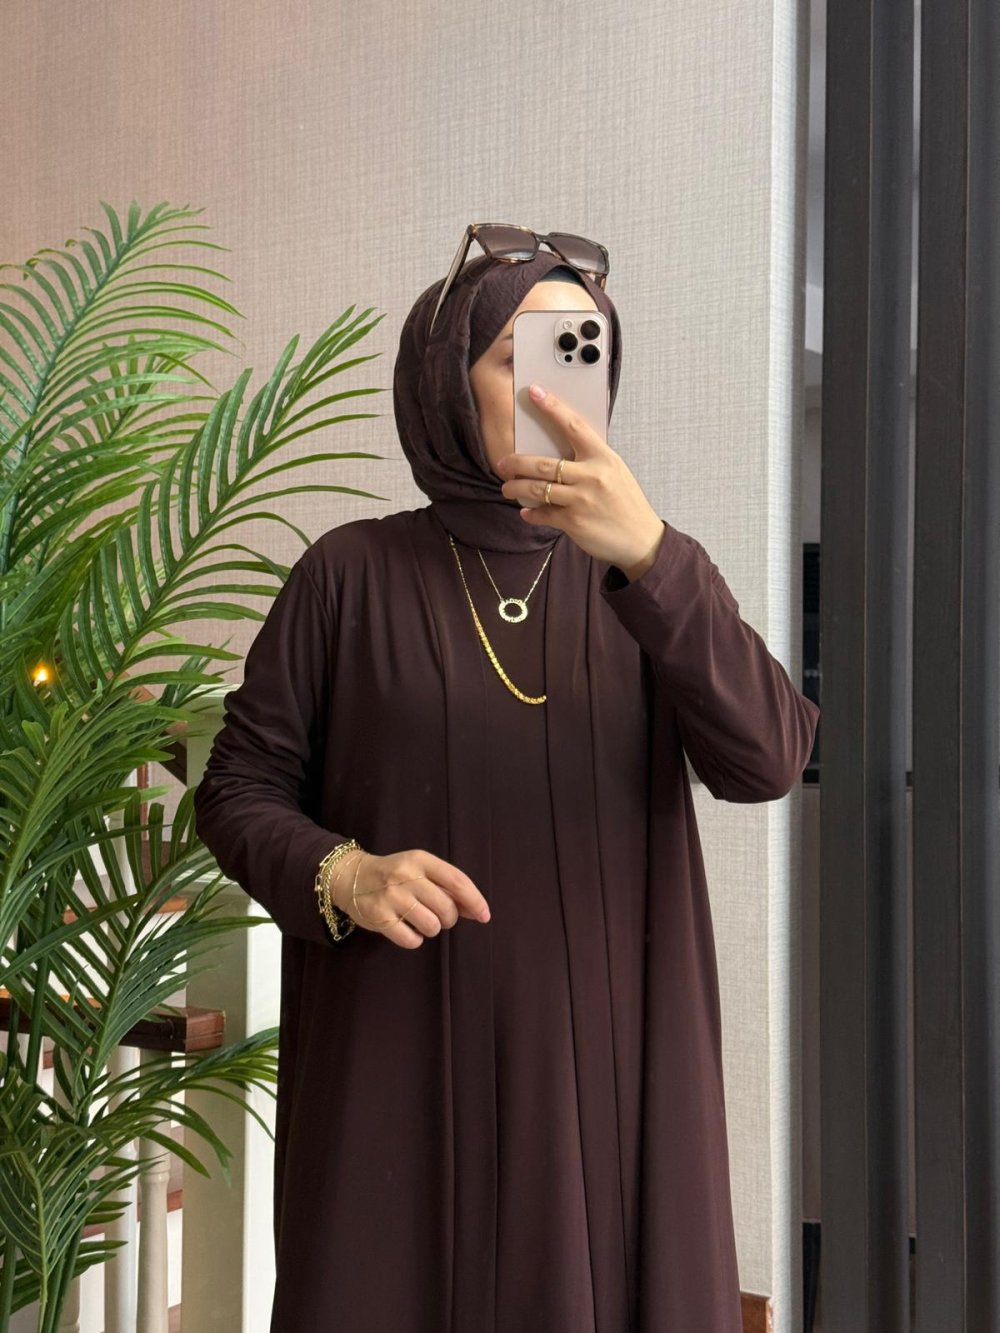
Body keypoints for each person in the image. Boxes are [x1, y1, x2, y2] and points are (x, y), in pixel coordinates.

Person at [193, 231, 821, 1333]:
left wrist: (649, 554)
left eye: (583, 349)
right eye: (520, 353)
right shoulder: (348, 574)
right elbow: (237, 787)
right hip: (398, 1069)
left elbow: (767, 757)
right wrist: (341, 872)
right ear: (446, 380)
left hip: (615, 1082)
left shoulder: (652, 576)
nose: (559, 385)